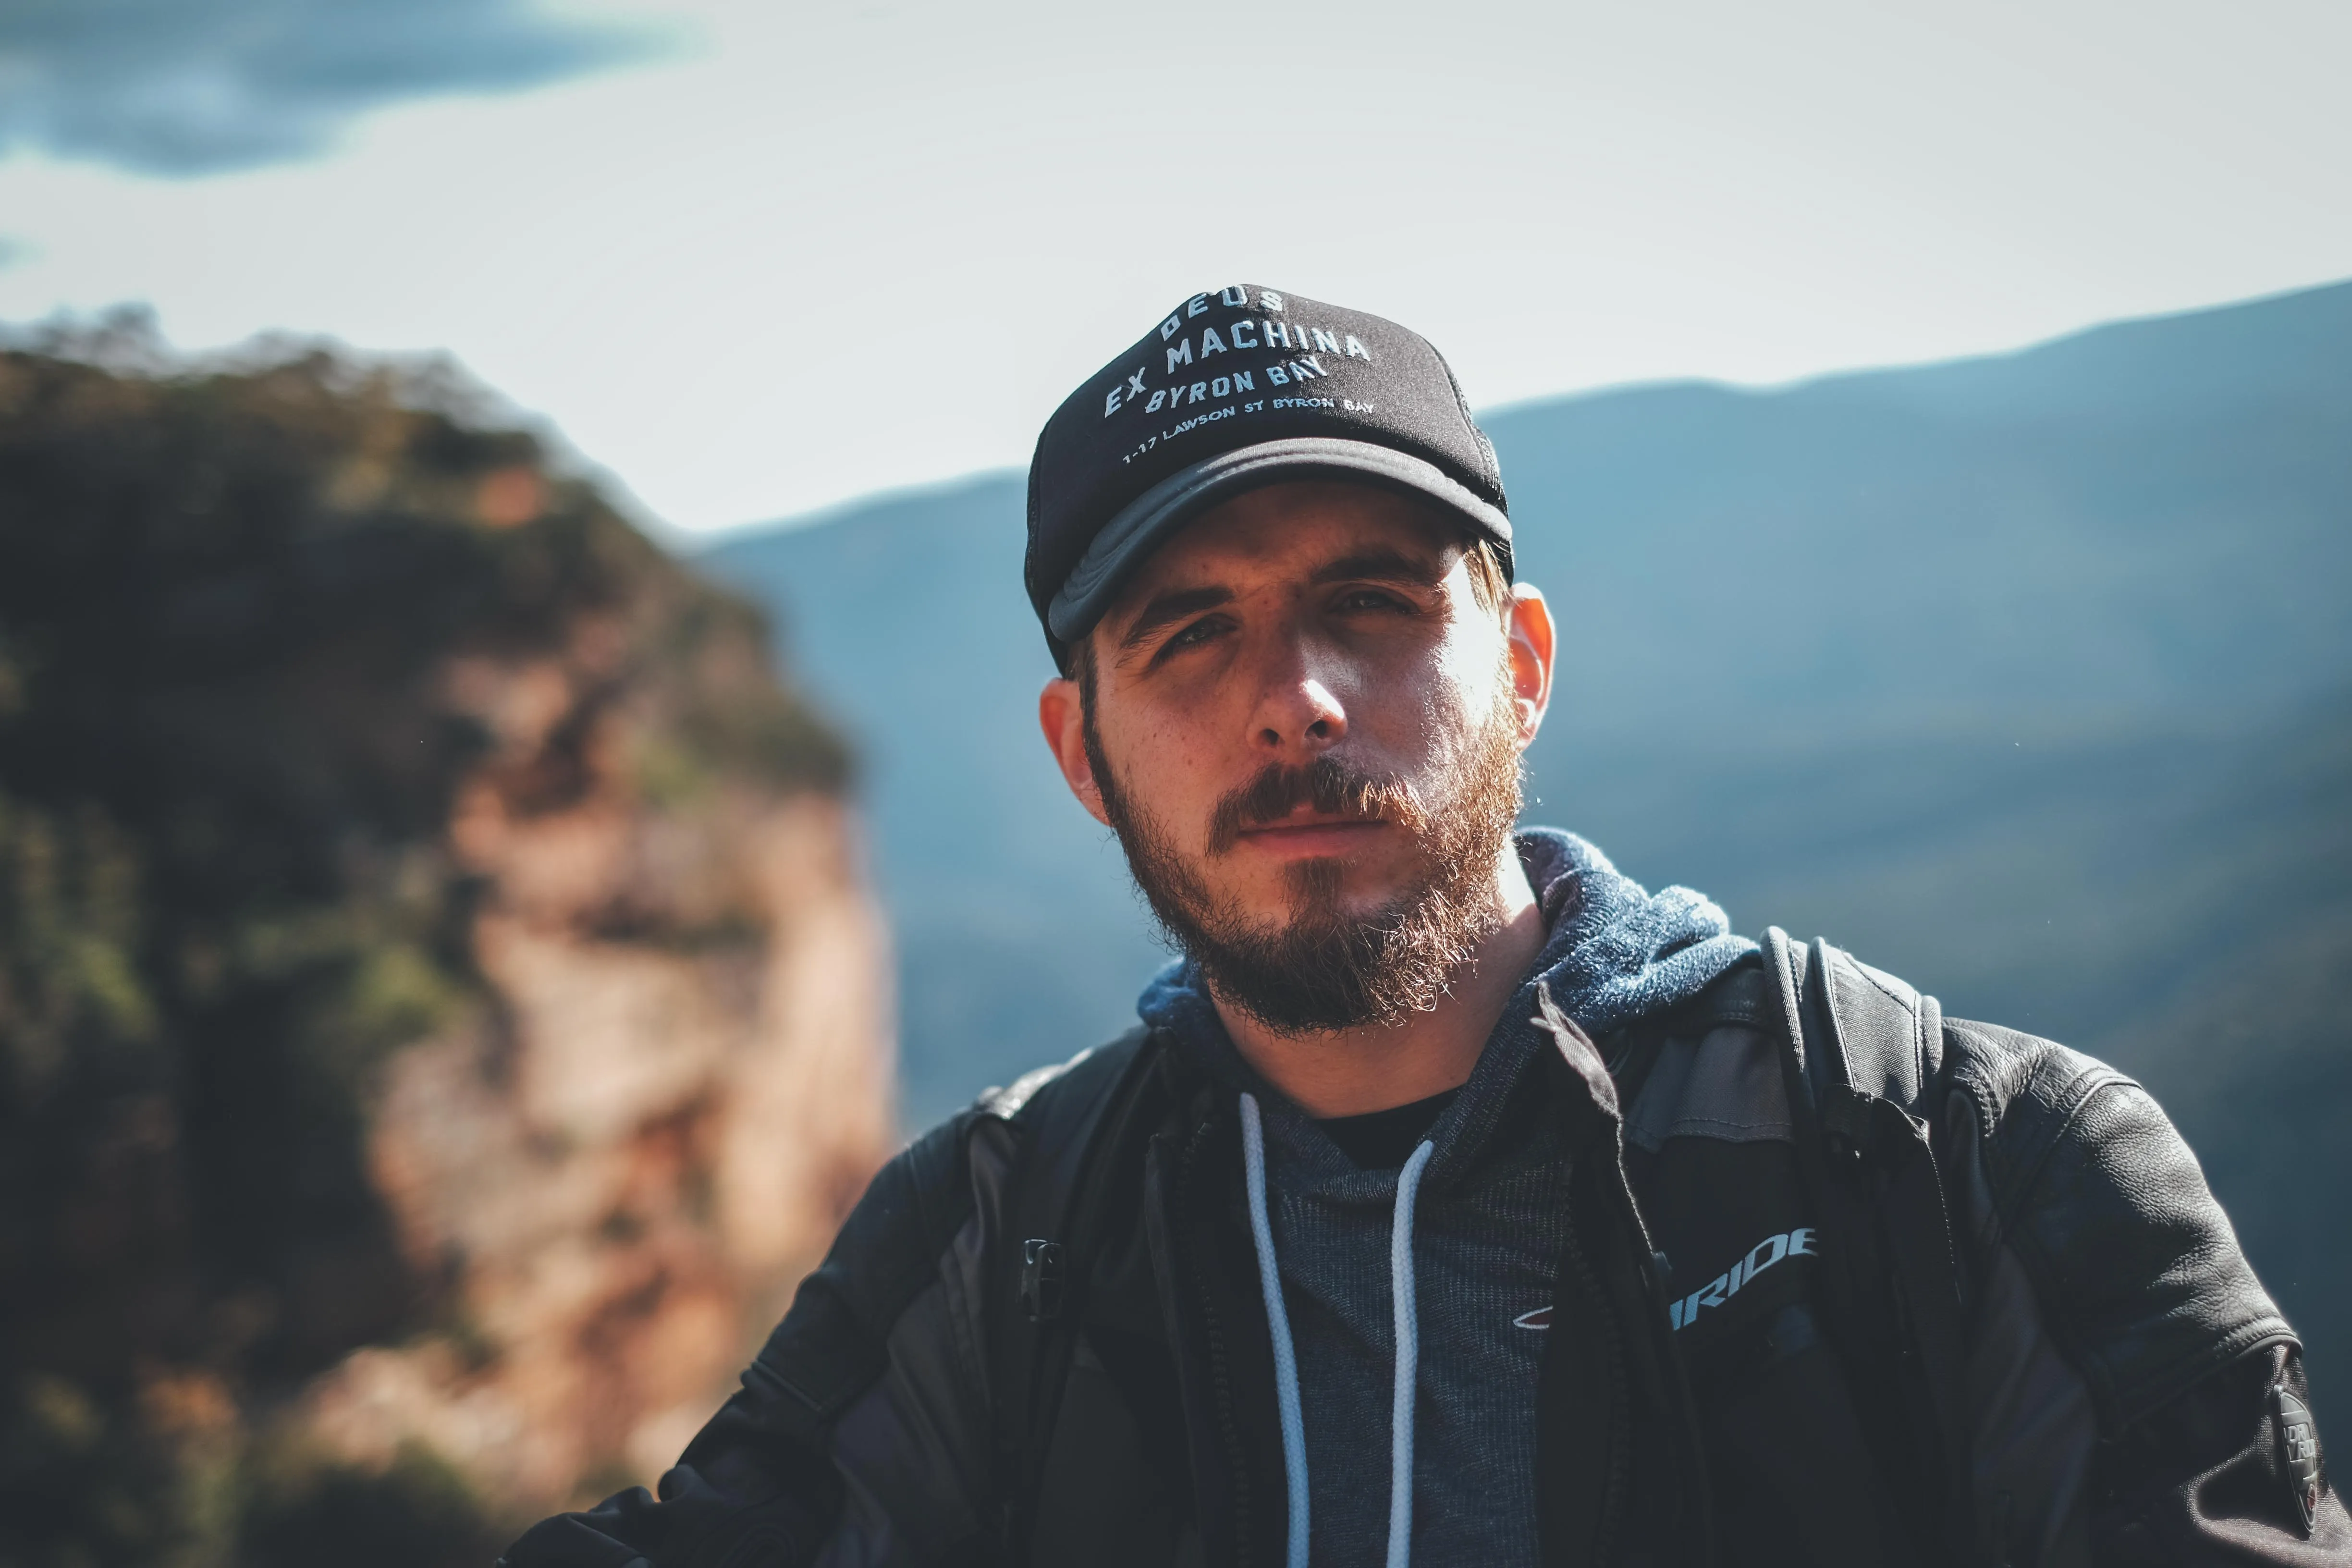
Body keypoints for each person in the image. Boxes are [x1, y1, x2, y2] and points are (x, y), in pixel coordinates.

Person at [502, 287, 2340, 1567]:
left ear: (1523, 668)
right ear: (1083, 754)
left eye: (1370, 606)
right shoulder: (1005, 1236)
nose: (1293, 701)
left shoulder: (1962, 1164)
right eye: (1188, 634)